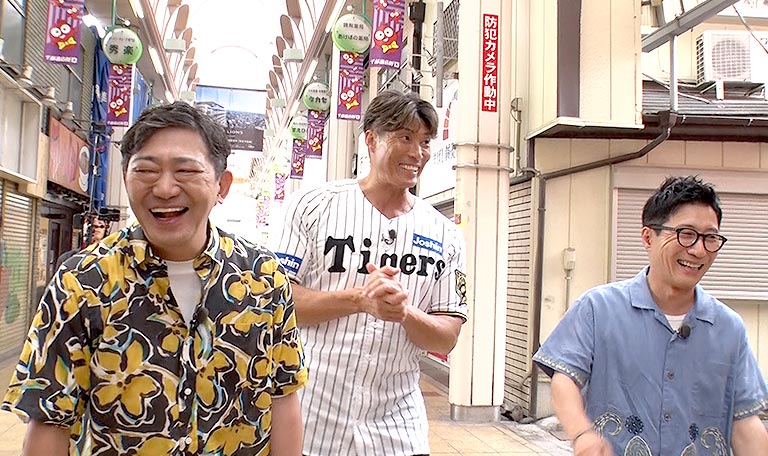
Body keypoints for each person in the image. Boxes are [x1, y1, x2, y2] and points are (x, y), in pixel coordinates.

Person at [2, 102, 307, 456]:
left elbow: (282, 399)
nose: (164, 188)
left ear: (221, 185)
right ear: (126, 179)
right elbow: (50, 419)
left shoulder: (263, 278)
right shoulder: (81, 281)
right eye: (146, 170)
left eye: (186, 170)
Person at [270, 90, 468, 455]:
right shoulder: (313, 206)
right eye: (404, 137)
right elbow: (277, 304)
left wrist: (404, 313)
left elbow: (446, 338)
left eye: (425, 142)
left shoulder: (445, 234)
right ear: (372, 139)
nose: (417, 153)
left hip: (398, 426)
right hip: (314, 418)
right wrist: (360, 300)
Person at [533, 175, 768, 456]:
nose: (698, 250)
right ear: (648, 237)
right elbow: (565, 380)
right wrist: (583, 434)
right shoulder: (598, 308)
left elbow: (744, 422)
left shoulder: (729, 328)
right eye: (686, 233)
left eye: (710, 238)